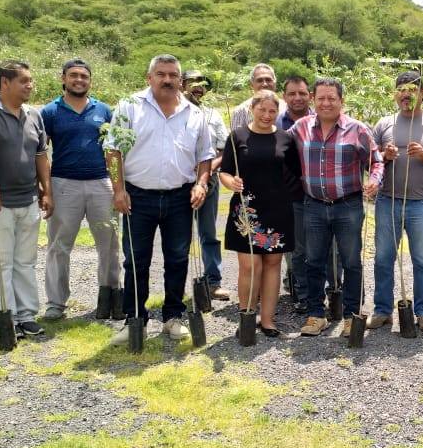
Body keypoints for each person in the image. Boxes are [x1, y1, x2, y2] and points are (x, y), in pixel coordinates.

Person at [106, 54, 214, 344]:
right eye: (161, 74)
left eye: (173, 75)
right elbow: (113, 151)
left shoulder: (195, 114)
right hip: (137, 196)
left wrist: (201, 184)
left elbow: (205, 156)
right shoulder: (129, 107)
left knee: (177, 259)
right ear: (149, 77)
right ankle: (134, 319)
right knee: (136, 260)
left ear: (181, 80)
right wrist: (118, 189)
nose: (167, 80)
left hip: (180, 197)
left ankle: (173, 317)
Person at [289, 78, 382, 337]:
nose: (326, 103)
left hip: (348, 206)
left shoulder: (358, 129)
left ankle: (352, 316)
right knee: (314, 261)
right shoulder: (300, 128)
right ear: (313, 100)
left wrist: (374, 180)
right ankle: (316, 315)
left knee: (351, 261)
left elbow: (376, 161)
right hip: (314, 206)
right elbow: (280, 151)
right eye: (321, 98)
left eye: (332, 98)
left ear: (342, 100)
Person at [0, 61, 53, 338]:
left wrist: (46, 190)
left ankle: (27, 316)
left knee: (25, 261)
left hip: (27, 200)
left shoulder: (34, 115)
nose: (30, 85)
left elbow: (41, 155)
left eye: (31, 81)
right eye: (24, 81)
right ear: (5, 83)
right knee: (0, 262)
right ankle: (6, 319)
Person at [370, 71, 423, 334]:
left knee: (421, 259)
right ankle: (382, 311)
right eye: (402, 90)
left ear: (422, 93)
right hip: (388, 201)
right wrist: (385, 155)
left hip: (422, 204)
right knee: (383, 258)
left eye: (412, 89)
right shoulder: (384, 123)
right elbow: (370, 161)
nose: (407, 94)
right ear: (396, 94)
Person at [41, 59, 121, 321]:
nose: (79, 80)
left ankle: (109, 296)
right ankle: (55, 303)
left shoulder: (104, 110)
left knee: (108, 244)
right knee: (59, 246)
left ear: (90, 81)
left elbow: (113, 150)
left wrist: (119, 184)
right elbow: (40, 152)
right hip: (64, 184)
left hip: (101, 183)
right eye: (73, 75)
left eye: (84, 76)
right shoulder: (50, 112)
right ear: (63, 79)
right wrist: (45, 190)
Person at [219, 91, 302, 335]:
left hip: (278, 209)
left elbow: (295, 174)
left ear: (278, 113)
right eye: (262, 110)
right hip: (247, 210)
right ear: (252, 109)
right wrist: (229, 182)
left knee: (273, 262)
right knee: (250, 265)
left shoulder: (286, 139)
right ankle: (246, 317)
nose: (267, 115)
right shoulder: (237, 136)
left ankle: (267, 320)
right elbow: (224, 170)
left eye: (272, 111)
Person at [182, 70, 230, 301]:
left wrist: (209, 169)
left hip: (208, 182)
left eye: (202, 84)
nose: (198, 87)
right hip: (179, 182)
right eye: (192, 82)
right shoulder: (174, 111)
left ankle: (213, 282)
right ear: (182, 84)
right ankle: (178, 284)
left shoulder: (213, 115)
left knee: (208, 233)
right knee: (178, 235)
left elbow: (223, 148)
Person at [277, 74, 321, 314]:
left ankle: (325, 292)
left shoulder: (322, 121)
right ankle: (301, 294)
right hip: (291, 197)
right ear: (284, 96)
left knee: (324, 248)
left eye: (302, 93)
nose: (297, 98)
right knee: (297, 249)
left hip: (320, 196)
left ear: (310, 96)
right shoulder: (274, 122)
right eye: (292, 93)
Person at [229, 63, 279, 131]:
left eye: (268, 80)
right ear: (252, 84)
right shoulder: (241, 111)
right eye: (260, 80)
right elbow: (235, 140)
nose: (264, 84)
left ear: (275, 83)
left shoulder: (286, 108)